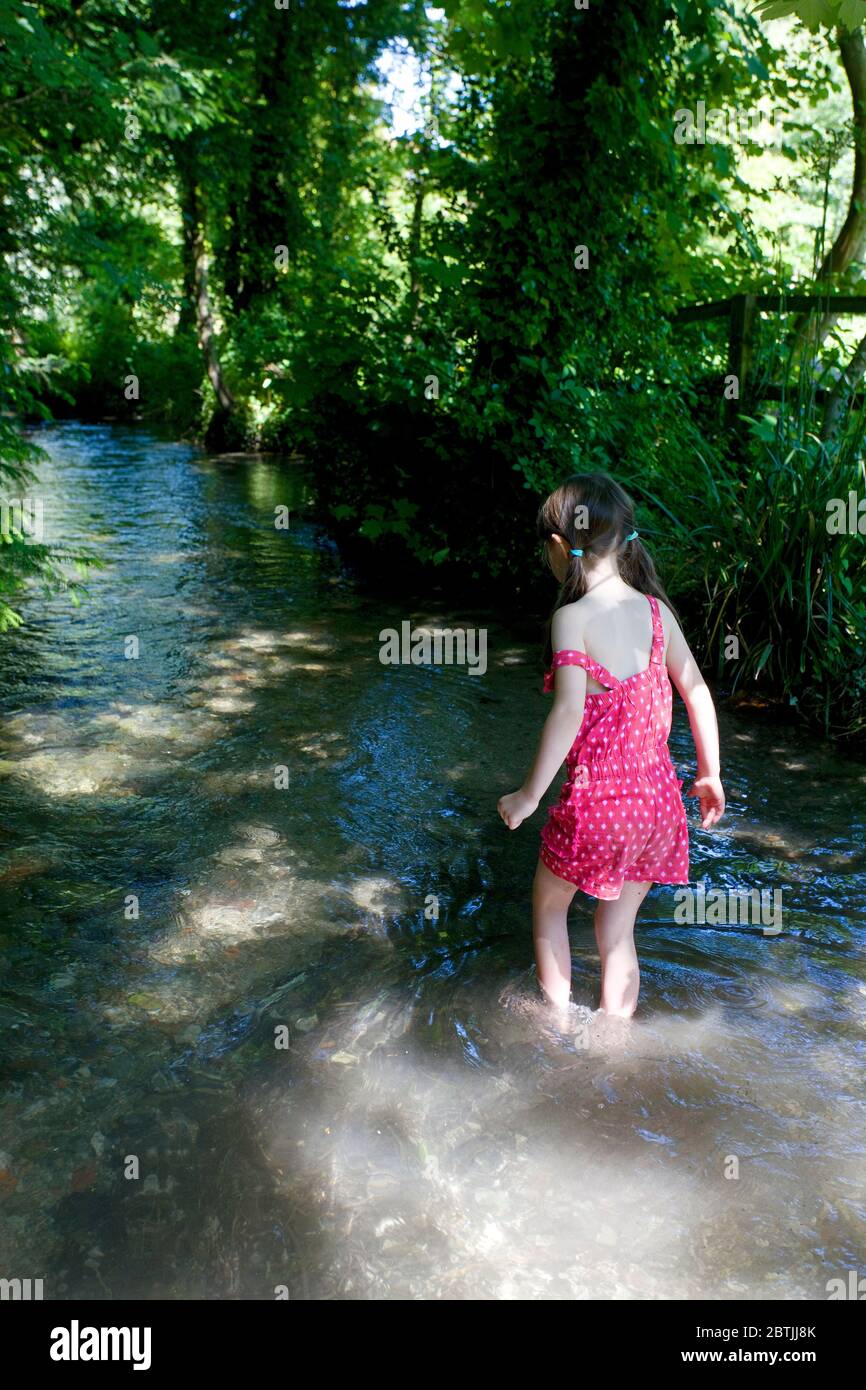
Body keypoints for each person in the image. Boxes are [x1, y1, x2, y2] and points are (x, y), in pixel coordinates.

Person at [497, 473, 725, 1018]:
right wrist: (710, 774)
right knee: (617, 933)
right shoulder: (656, 613)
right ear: (625, 539)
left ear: (558, 546)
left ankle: (555, 1024)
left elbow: (570, 711)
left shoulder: (570, 618)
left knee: (550, 906)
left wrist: (530, 796)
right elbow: (696, 691)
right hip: (659, 808)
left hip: (599, 806)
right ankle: (614, 1040)